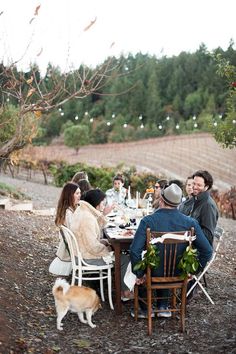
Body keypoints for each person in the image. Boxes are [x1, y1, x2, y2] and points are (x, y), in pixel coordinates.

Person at [129, 183, 213, 318]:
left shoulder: (148, 221)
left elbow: (134, 251)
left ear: (161, 200)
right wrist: (193, 271)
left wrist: (139, 274)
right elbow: (207, 251)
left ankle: (145, 309)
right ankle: (163, 306)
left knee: (138, 264)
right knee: (166, 261)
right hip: (179, 272)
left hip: (153, 272)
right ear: (178, 204)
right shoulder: (190, 223)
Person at [71, 189, 130, 296]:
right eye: (103, 202)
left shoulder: (83, 211)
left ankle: (123, 289)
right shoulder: (87, 218)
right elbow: (93, 247)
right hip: (87, 258)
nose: (104, 205)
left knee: (117, 250)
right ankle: (124, 293)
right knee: (125, 258)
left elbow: (91, 234)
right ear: (96, 203)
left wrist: (105, 241)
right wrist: (110, 248)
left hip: (81, 253)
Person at [49, 182, 81, 276]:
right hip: (73, 248)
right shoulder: (68, 213)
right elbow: (74, 232)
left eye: (80, 193)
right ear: (70, 195)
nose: (79, 196)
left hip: (72, 245)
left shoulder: (70, 209)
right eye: (77, 193)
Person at [189, 170, 219, 245]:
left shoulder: (208, 205)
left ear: (206, 187)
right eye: (194, 183)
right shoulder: (196, 200)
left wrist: (189, 230)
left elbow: (208, 236)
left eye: (199, 185)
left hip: (199, 251)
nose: (195, 187)